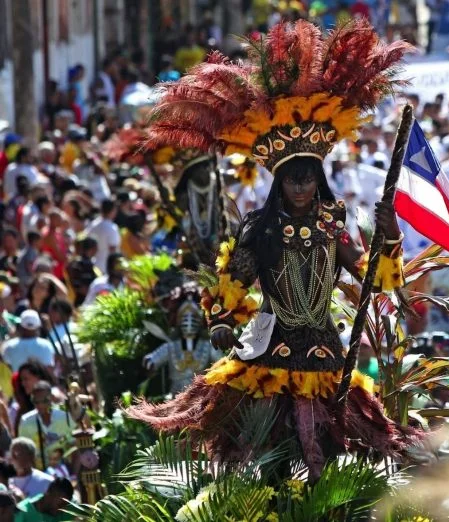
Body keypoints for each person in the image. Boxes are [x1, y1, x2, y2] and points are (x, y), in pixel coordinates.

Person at [127, 20, 419, 482]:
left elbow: (373, 281)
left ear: (317, 179)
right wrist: (222, 322)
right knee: (264, 455)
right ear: (279, 182)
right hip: (268, 349)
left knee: (336, 450)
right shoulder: (259, 229)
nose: (301, 186)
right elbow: (233, 283)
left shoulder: (333, 225)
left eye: (307, 177)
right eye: (292, 178)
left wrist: (391, 238)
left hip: (324, 350)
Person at [18, 381, 73, 471]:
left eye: (45, 401)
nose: (40, 405)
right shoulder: (26, 421)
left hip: (65, 471)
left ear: (51, 398)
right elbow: (23, 452)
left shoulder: (64, 417)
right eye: (36, 402)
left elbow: (73, 447)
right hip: (39, 473)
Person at [84, 199, 120, 275]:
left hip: (93, 265)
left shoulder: (93, 225)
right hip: (106, 268)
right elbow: (113, 250)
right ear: (113, 210)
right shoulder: (112, 228)